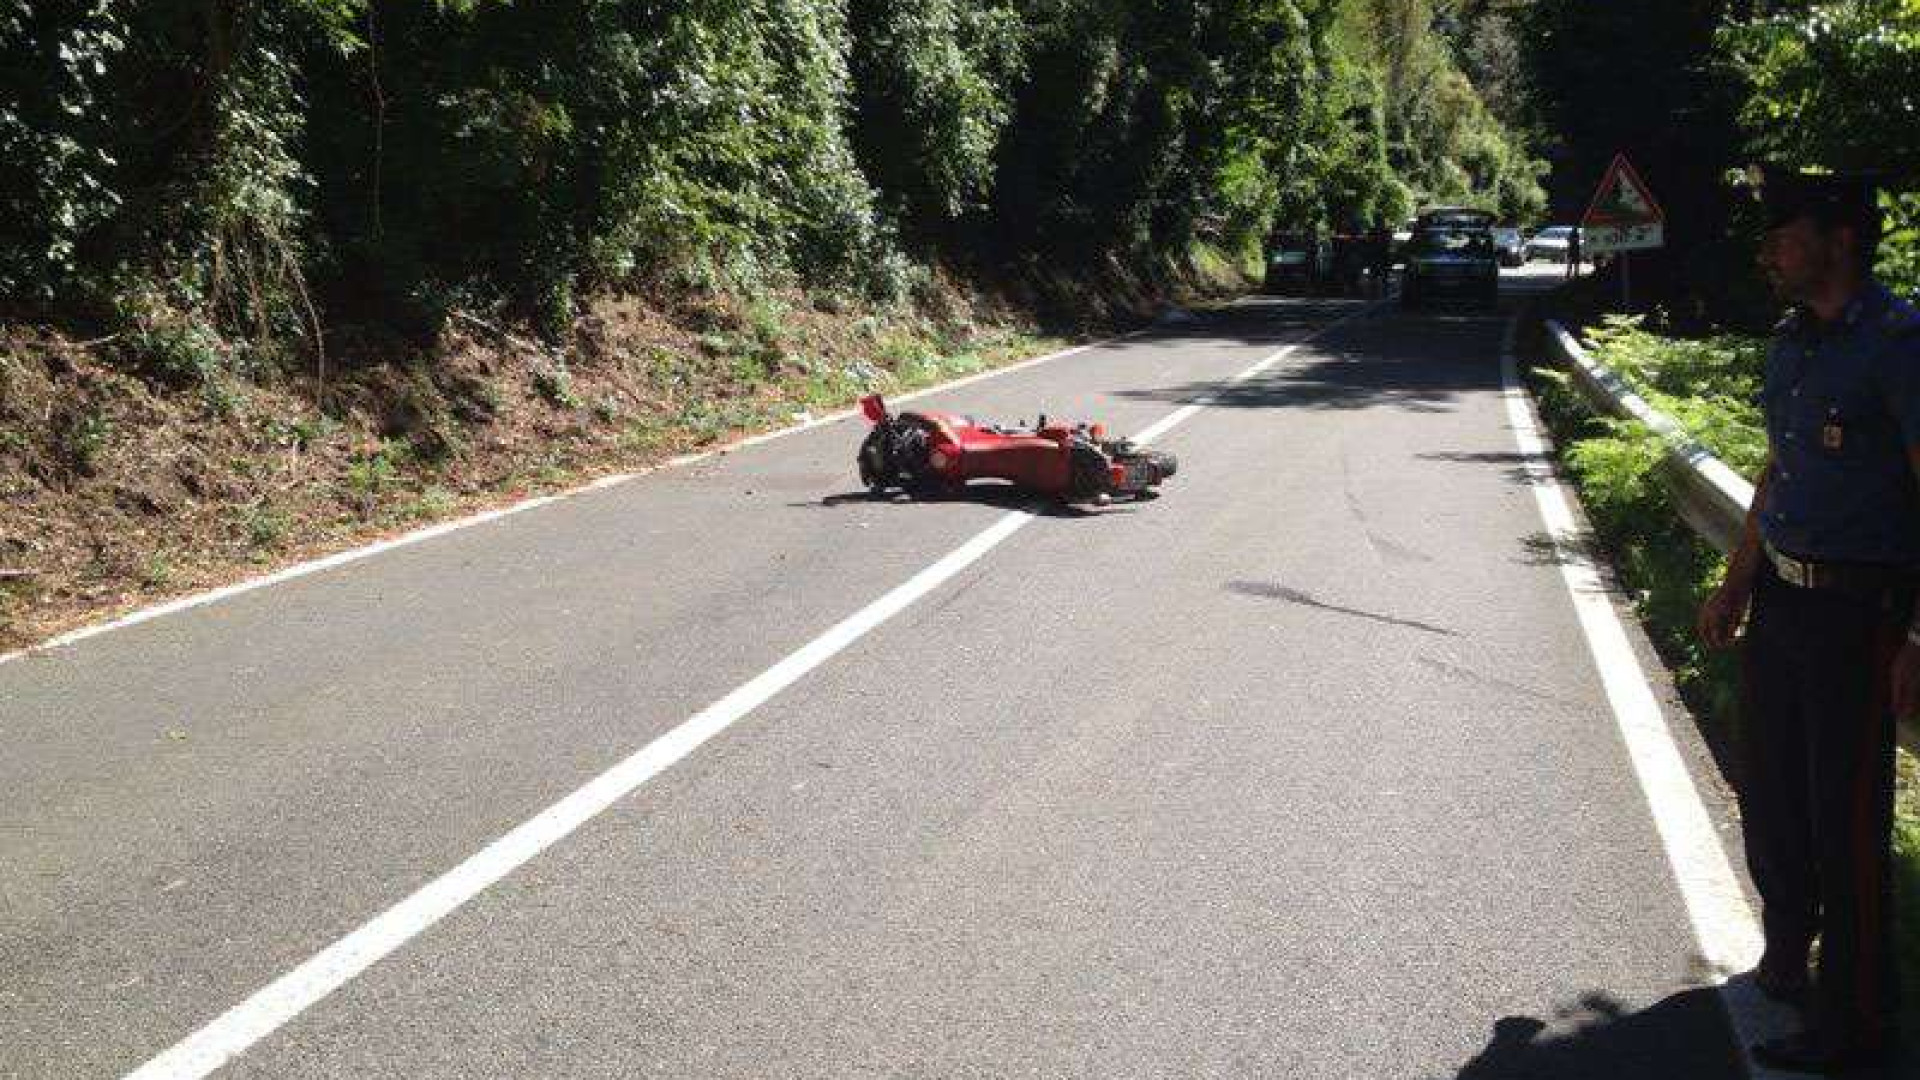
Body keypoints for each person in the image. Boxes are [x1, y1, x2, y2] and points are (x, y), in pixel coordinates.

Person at [1697, 168, 1920, 1073]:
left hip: (1857, 613)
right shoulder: (1790, 344)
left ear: (1837, 238)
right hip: (1783, 600)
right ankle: (1786, 958)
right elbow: (1776, 471)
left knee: (1846, 824)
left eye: (1784, 233)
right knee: (1773, 794)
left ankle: (1855, 1024)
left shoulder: (1901, 345)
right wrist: (1736, 580)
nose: (1769, 250)